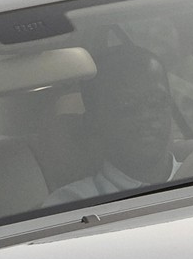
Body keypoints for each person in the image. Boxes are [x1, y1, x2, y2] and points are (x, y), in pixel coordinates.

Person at [45, 44, 175, 205]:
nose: (146, 115)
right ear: (92, 122)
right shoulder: (72, 203)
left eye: (156, 101)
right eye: (126, 105)